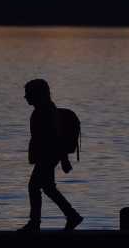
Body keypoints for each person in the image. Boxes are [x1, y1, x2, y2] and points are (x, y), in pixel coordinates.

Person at [19, 78, 82, 233]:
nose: (25, 97)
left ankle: (35, 223)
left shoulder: (46, 112)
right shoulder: (42, 110)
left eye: (28, 93)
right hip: (47, 156)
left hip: (48, 156)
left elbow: (56, 136)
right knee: (47, 188)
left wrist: (64, 159)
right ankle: (71, 215)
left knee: (34, 187)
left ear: (38, 94)